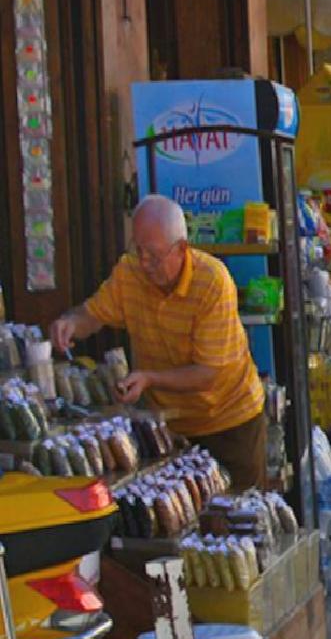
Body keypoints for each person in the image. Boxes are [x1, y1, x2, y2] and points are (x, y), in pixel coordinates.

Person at [51, 196, 267, 489]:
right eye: (137, 250)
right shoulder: (129, 272)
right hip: (170, 425)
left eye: (153, 255)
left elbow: (209, 374)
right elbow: (94, 313)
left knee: (234, 517)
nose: (144, 263)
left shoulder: (213, 282)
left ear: (181, 249)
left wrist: (150, 378)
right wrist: (71, 323)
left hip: (228, 422)